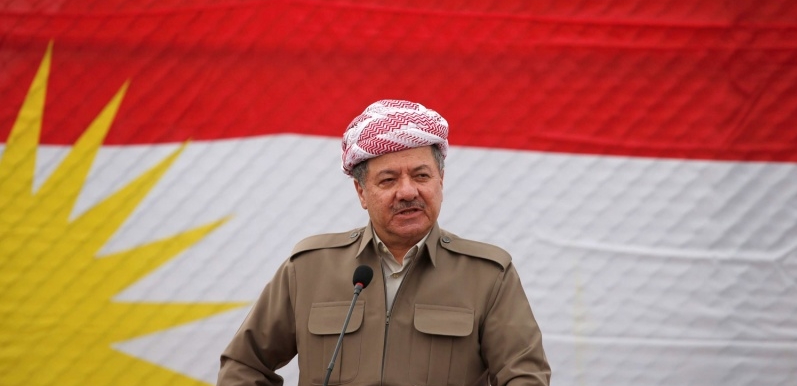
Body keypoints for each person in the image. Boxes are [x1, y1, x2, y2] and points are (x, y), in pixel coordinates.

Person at [217, 99, 550, 386]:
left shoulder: (488, 275)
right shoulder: (309, 269)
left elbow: (525, 377)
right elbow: (243, 366)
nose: (407, 192)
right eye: (388, 180)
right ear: (362, 192)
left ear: (441, 180)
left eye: (421, 176)